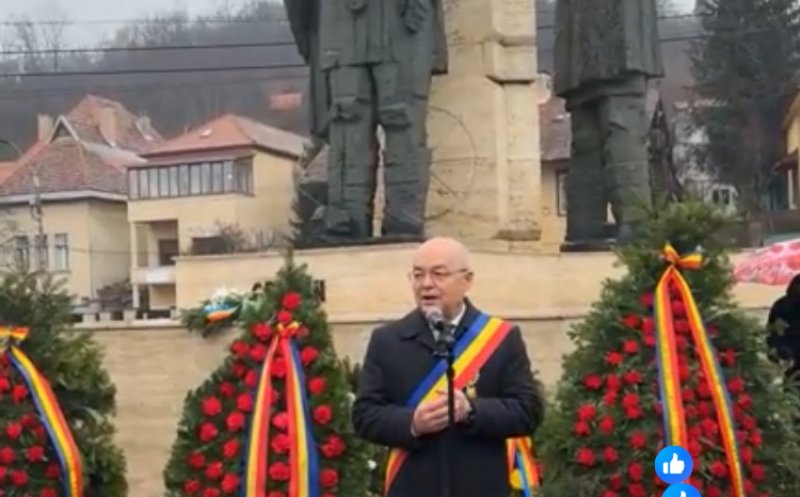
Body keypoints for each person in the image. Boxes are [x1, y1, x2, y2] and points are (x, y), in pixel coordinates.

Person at [352, 237, 544, 497]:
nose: (426, 284)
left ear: (467, 280)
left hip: (480, 485)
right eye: (418, 275)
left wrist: (471, 411)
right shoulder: (388, 341)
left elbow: (528, 411)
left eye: (438, 274)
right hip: (413, 486)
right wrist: (413, 423)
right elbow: (365, 415)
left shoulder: (501, 338)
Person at [767, 274, 800, 386]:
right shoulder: (784, 306)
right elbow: (774, 332)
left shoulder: (782, 304)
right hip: (792, 360)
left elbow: (772, 335)